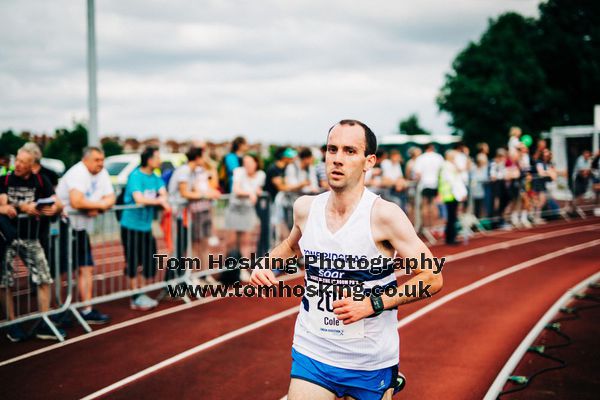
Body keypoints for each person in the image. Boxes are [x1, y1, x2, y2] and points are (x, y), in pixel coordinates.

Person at [251, 120, 443, 400]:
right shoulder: (306, 208)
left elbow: (432, 278)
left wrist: (372, 303)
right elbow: (291, 246)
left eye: (350, 151)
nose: (338, 159)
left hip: (369, 359)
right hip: (313, 350)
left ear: (369, 161)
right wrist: (265, 264)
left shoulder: (384, 216)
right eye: (332, 149)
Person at [0, 145, 64, 341]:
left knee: (44, 278)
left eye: (22, 162)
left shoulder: (40, 180)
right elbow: (2, 204)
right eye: (16, 160)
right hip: (8, 237)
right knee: (5, 281)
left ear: (32, 165)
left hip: (31, 237)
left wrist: (55, 209)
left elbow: (57, 201)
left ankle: (44, 320)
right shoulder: (6, 180)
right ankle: (12, 323)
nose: (17, 165)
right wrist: (21, 207)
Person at [56, 146, 115, 324]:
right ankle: (58, 310)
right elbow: (76, 201)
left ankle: (87, 309)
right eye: (97, 160)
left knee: (86, 267)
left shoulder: (102, 173)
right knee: (60, 271)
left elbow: (111, 197)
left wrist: (98, 206)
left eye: (102, 160)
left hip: (81, 230)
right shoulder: (77, 173)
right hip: (63, 228)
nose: (101, 164)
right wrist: (96, 205)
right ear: (86, 160)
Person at [120, 147, 170, 310]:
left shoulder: (155, 177)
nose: (159, 160)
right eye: (157, 157)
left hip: (146, 227)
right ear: (148, 159)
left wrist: (161, 199)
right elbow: (139, 199)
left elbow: (164, 193)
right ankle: (135, 295)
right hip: (131, 226)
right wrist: (159, 201)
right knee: (133, 261)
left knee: (149, 261)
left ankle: (141, 292)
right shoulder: (135, 176)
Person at [225, 154, 266, 281]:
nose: (247, 165)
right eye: (245, 162)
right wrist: (250, 193)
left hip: (248, 210)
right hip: (234, 209)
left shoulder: (261, 175)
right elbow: (236, 189)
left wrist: (256, 192)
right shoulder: (238, 172)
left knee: (246, 242)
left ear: (256, 163)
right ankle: (229, 269)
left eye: (250, 162)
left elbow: (258, 188)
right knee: (231, 242)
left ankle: (243, 269)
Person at [438, 150, 467, 245]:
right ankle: (450, 238)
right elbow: (453, 181)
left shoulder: (446, 166)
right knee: (452, 217)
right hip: (451, 195)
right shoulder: (447, 166)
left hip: (450, 194)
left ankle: (450, 237)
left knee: (452, 217)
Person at [413, 143, 444, 229]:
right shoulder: (438, 157)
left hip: (425, 184)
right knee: (434, 205)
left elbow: (417, 174)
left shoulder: (421, 158)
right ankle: (432, 227)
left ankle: (425, 227)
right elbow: (442, 171)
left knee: (425, 206)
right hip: (436, 183)